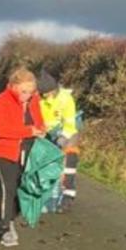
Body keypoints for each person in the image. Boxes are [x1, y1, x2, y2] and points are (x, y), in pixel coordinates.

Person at [0, 68, 45, 247]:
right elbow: (0, 129)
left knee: (22, 188)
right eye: (23, 91)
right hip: (5, 151)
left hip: (28, 151)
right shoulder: (1, 101)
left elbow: (39, 120)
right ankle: (5, 227)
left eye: (30, 92)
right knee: (8, 189)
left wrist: (41, 129)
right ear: (13, 86)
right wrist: (28, 131)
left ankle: (10, 218)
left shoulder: (34, 100)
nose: (27, 96)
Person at [37, 71, 81, 212]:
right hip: (47, 137)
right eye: (43, 94)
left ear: (54, 89)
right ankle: (49, 198)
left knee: (67, 169)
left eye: (48, 93)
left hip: (67, 137)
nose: (45, 96)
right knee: (48, 168)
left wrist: (62, 138)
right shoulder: (38, 99)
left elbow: (70, 123)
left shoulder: (66, 99)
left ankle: (67, 199)